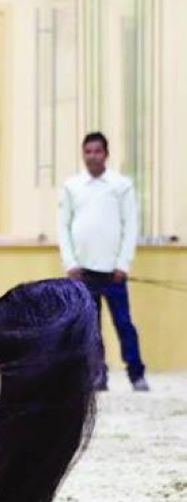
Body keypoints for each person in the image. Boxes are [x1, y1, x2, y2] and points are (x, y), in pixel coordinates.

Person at [58, 131, 149, 392]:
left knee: (124, 323)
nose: (93, 156)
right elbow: (63, 227)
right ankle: (97, 375)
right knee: (90, 328)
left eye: (98, 151)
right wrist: (70, 263)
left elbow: (130, 226)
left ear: (106, 154)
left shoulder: (121, 186)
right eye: (88, 152)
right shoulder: (72, 187)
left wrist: (124, 264)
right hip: (82, 272)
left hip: (113, 273)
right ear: (82, 154)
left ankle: (136, 374)